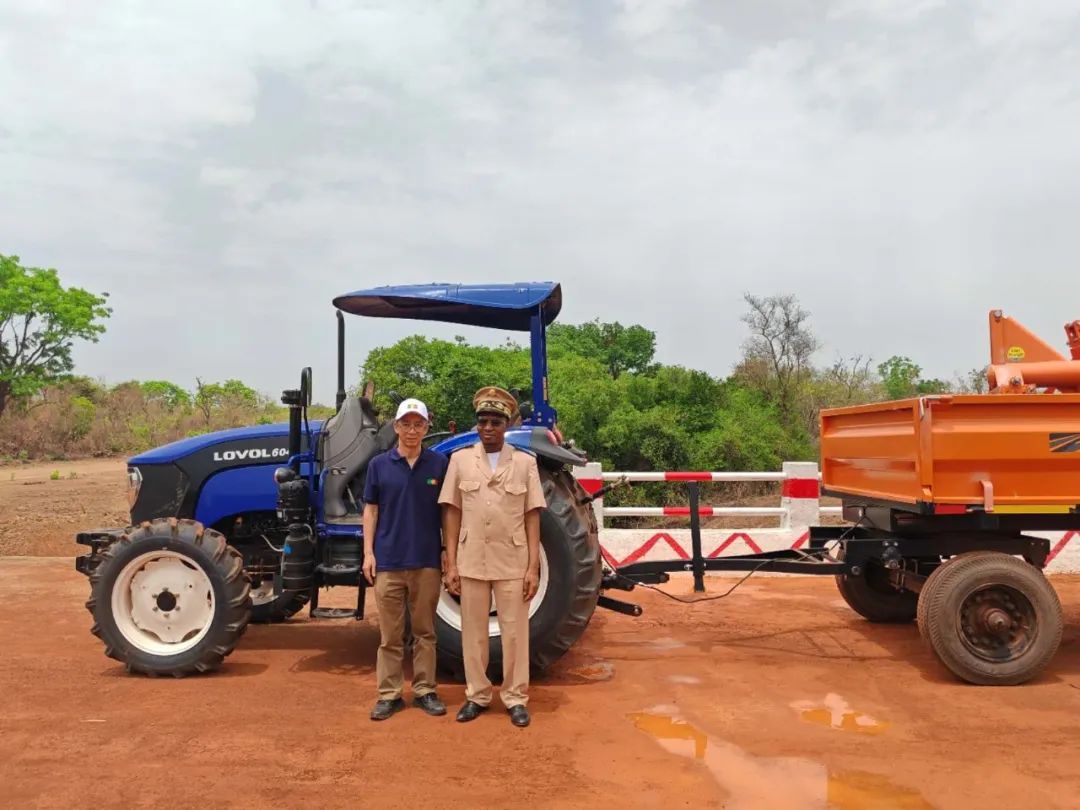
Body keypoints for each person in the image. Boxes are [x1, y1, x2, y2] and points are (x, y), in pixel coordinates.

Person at [439, 386, 547, 728]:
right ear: (477, 424)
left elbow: (533, 515)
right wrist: (451, 560)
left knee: (515, 633)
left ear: (507, 423)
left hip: (513, 560)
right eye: (483, 421)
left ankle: (515, 697)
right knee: (473, 632)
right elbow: (452, 512)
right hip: (471, 558)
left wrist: (533, 566)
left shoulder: (526, 462)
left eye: (496, 421)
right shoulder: (458, 461)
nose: (488, 427)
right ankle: (477, 695)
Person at [362, 397, 449, 721]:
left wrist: (448, 556)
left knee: (425, 632)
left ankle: (426, 691)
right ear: (396, 427)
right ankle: (390, 694)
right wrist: (368, 553)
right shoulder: (379, 466)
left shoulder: (439, 464)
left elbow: (447, 514)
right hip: (388, 563)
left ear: (426, 427)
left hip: (426, 562)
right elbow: (371, 510)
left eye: (418, 424)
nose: (412, 430)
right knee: (390, 636)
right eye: (406, 424)